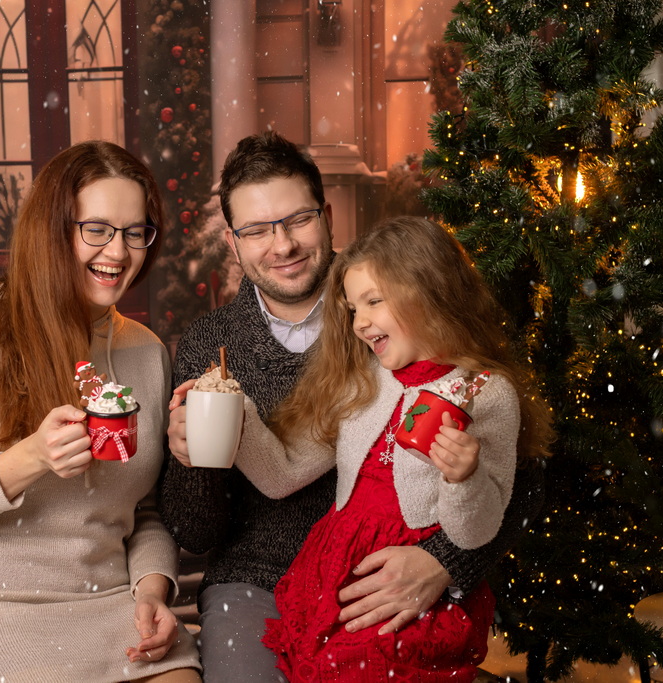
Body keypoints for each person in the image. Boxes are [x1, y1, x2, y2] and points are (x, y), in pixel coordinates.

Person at [159, 132, 545, 682]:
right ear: (233, 242)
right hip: (257, 579)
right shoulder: (211, 343)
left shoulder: (404, 316)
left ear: (328, 215)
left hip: (400, 572)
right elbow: (197, 531)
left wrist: (444, 562)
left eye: (298, 220)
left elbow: (519, 481)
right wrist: (195, 456)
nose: (282, 246)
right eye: (257, 230)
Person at [0, 141, 201, 683]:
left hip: (101, 603)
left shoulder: (146, 352)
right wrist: (28, 457)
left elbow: (144, 510)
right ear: (52, 231)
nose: (119, 251)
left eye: (135, 232)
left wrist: (152, 589)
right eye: (96, 229)